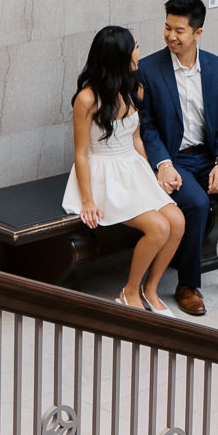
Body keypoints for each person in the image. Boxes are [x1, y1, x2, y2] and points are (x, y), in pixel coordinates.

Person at [137, 0, 218, 317]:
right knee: (196, 204)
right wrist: (162, 164)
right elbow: (147, 126)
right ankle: (187, 285)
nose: (171, 36)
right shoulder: (149, 70)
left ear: (198, 33)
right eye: (167, 28)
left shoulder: (216, 68)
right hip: (174, 159)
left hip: (208, 156)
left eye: (179, 30)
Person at [64, 25, 188, 315]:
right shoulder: (87, 99)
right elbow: (81, 154)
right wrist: (87, 200)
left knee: (177, 221)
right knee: (158, 228)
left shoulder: (133, 87)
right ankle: (128, 291)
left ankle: (150, 289)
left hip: (132, 167)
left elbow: (135, 139)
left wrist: (154, 172)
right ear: (119, 56)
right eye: (134, 46)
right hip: (103, 174)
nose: (139, 52)